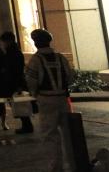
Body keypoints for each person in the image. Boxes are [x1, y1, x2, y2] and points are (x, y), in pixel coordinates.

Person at [25, 28, 74, 172]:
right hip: (63, 98)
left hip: (46, 99)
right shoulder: (61, 58)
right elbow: (71, 77)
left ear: (36, 43)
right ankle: (73, 163)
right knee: (68, 133)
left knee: (50, 134)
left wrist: (35, 94)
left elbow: (31, 81)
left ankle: (56, 166)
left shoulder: (36, 60)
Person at [0, 31, 34, 134]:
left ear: (8, 41)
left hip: (14, 82)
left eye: (3, 41)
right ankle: (27, 125)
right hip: (15, 82)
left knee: (20, 104)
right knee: (19, 104)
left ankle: (27, 126)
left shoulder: (12, 52)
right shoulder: (15, 51)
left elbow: (15, 69)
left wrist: (17, 84)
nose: (3, 44)